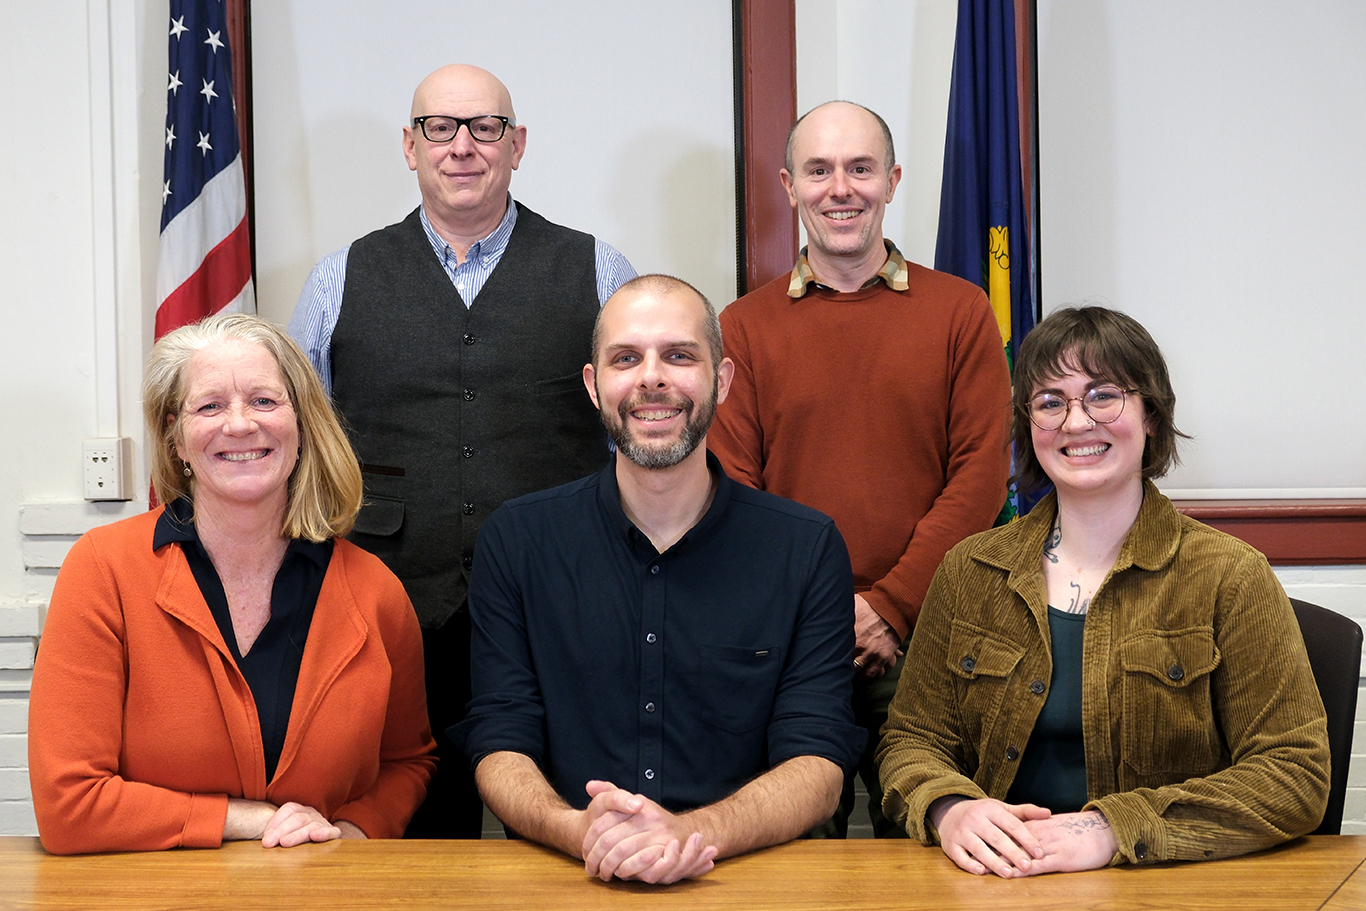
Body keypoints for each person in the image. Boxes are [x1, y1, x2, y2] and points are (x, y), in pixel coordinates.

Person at [288, 64, 636, 838]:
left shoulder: (600, 271)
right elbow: (298, 447)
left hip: (561, 608)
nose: (462, 147)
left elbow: (647, 433)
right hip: (389, 609)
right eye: (439, 128)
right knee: (411, 837)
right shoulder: (337, 279)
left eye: (484, 128)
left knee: (567, 834)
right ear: (409, 147)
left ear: (518, 145)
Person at [877, 305, 1331, 876]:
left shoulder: (1231, 577)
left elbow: (1295, 773)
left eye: (1103, 395)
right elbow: (910, 740)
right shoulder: (969, 571)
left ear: (1151, 417)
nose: (1075, 423)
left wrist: (1114, 829)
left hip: (1166, 886)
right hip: (997, 883)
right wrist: (950, 807)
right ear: (1028, 428)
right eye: (1050, 403)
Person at [452, 275, 865, 884]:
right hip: (567, 878)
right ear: (595, 387)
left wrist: (690, 834)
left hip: (745, 879)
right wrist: (578, 830)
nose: (651, 378)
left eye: (678, 355)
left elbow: (819, 762)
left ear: (721, 381)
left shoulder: (804, 549)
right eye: (626, 358)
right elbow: (499, 739)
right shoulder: (518, 541)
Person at [708, 101, 1012, 837]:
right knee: (792, 856)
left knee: (936, 847)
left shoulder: (962, 312)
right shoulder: (741, 328)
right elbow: (732, 490)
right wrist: (822, 618)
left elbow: (979, 476)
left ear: (892, 180)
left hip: (933, 637)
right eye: (819, 170)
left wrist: (890, 606)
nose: (839, 188)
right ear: (788, 185)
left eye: (859, 168)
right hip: (786, 644)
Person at [28, 314, 436, 855]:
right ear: (176, 437)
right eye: (210, 405)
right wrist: (248, 819)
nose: (241, 425)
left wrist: (349, 834)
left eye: (265, 401)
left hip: (319, 893)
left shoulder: (376, 591)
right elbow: (68, 804)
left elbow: (406, 762)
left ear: (302, 424)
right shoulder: (102, 571)